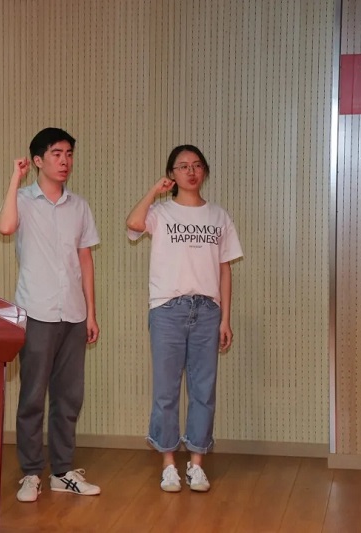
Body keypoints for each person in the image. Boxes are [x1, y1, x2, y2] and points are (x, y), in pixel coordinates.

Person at [125, 145, 243, 493]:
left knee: (203, 390)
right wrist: (154, 191)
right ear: (172, 174)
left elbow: (225, 270)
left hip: (207, 311)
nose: (191, 171)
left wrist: (225, 318)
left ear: (204, 171)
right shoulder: (160, 212)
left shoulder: (218, 216)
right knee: (166, 391)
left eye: (197, 165)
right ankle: (168, 464)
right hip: (168, 309)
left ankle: (196, 464)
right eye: (182, 166)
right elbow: (133, 223)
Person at [0, 127, 101, 503]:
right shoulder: (23, 200)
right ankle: (30, 473)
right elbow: (5, 227)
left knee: (68, 398)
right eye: (56, 154)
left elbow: (85, 260)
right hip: (36, 311)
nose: (65, 161)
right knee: (32, 397)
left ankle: (62, 471)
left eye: (69, 153)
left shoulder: (79, 206)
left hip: (73, 313)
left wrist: (91, 312)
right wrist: (15, 179)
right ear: (38, 160)